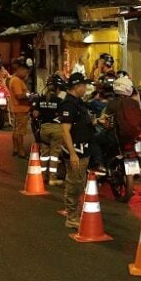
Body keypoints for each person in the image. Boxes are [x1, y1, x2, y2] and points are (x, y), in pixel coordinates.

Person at [58, 73, 97, 228]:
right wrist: (73, 154)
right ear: (77, 87)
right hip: (76, 151)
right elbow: (65, 131)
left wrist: (97, 121)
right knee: (75, 183)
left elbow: (83, 121)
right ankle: (72, 217)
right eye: (84, 86)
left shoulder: (78, 102)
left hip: (84, 149)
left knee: (79, 182)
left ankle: (74, 212)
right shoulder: (68, 104)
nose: (86, 89)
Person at [33, 74, 66, 186]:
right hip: (56, 129)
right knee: (54, 155)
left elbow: (35, 114)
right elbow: (63, 115)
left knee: (44, 154)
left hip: (44, 129)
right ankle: (52, 178)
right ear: (57, 88)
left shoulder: (40, 99)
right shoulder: (59, 100)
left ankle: (42, 176)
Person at [8, 59, 33, 158]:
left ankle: (15, 149)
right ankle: (21, 151)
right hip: (20, 109)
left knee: (16, 130)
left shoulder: (14, 79)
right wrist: (29, 95)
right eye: (25, 71)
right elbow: (19, 96)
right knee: (20, 132)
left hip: (17, 108)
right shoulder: (16, 81)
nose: (26, 74)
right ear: (20, 70)